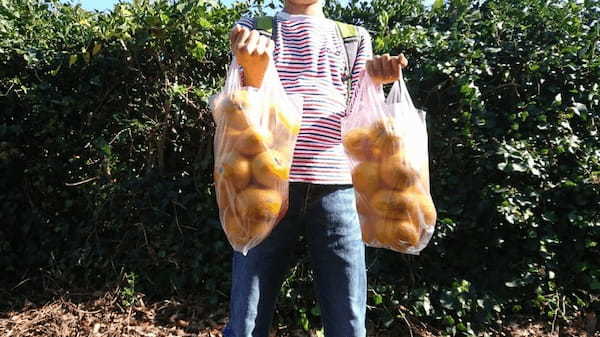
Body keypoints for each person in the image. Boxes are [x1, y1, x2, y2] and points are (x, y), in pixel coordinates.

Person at [222, 0, 408, 336]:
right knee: (247, 318)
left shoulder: (353, 37)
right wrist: (251, 65)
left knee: (348, 316)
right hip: (265, 187)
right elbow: (240, 102)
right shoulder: (257, 24)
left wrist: (377, 82)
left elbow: (360, 118)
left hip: (338, 186)